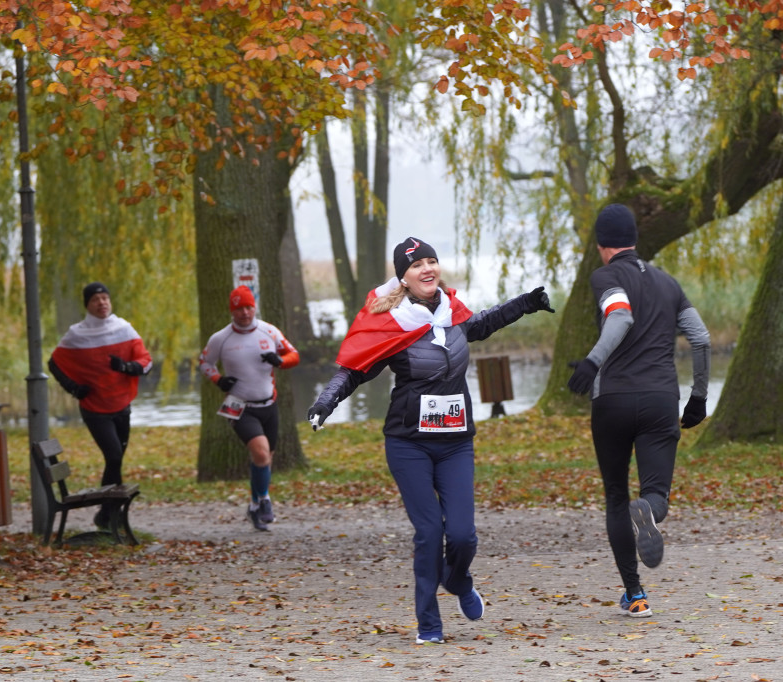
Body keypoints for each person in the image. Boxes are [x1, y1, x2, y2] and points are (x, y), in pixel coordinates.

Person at [307, 237, 555, 645]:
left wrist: (526, 303)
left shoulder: (452, 314)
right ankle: (429, 624)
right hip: (409, 444)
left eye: (432, 261)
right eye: (417, 264)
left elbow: (484, 323)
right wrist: (325, 402)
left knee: (462, 535)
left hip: (456, 442)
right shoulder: (391, 323)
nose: (428, 269)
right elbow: (353, 368)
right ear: (402, 277)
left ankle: (458, 581)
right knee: (428, 532)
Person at [567, 203, 711, 618]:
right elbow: (700, 338)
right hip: (659, 401)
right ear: (633, 239)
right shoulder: (668, 283)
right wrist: (698, 397)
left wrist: (593, 361)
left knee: (616, 495)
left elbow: (620, 316)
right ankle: (648, 510)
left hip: (611, 400)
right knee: (654, 494)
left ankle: (636, 593)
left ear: (601, 244)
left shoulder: (606, 275)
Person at [48, 282, 153, 529]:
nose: (102, 303)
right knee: (114, 455)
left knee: (115, 460)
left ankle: (106, 515)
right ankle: (109, 514)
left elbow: (146, 362)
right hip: (94, 409)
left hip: (121, 405)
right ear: (88, 305)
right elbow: (54, 363)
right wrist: (73, 388)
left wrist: (126, 367)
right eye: (96, 299)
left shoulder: (124, 329)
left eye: (105, 298)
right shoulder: (77, 334)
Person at [198, 285, 300, 531]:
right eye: (238, 308)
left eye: (248, 307)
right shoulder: (221, 338)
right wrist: (219, 380)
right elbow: (205, 362)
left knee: (263, 459)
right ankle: (265, 501)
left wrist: (280, 361)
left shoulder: (269, 331)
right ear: (231, 311)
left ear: (254, 307)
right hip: (239, 406)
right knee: (262, 453)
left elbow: (294, 355)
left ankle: (254, 506)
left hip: (269, 403)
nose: (244, 312)